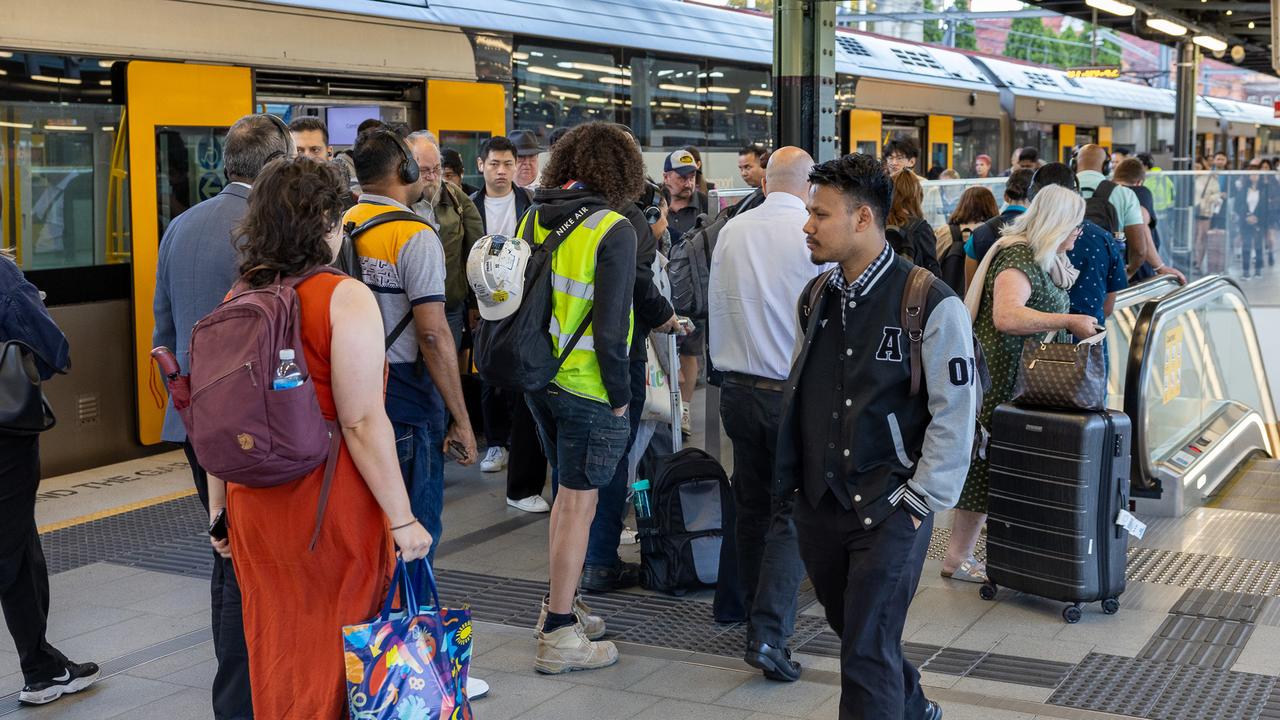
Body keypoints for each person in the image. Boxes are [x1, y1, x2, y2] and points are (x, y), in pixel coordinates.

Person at [217, 156, 432, 718]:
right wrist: (402, 518)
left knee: (278, 647)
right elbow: (361, 421)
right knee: (340, 652)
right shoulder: (344, 296)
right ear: (326, 223)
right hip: (329, 505)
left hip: (254, 509)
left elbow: (219, 418)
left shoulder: (238, 298)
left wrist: (219, 512)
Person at [779, 153, 977, 720]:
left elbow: (956, 411)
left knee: (864, 650)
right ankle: (914, 708)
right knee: (860, 634)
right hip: (821, 504)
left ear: (863, 219)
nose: (806, 225)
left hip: (891, 505)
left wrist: (920, 501)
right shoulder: (816, 296)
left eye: (820, 214)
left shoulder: (929, 301)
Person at [152, 112, 291, 719]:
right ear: (277, 162)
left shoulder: (178, 228)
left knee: (224, 548)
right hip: (259, 428)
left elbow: (163, 329)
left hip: (196, 425)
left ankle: (232, 694)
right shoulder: (271, 231)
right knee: (265, 555)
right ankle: (267, 684)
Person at [521, 122, 640, 674]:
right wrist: (621, 398)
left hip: (540, 380)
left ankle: (559, 606)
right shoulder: (613, 228)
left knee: (562, 498)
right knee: (578, 505)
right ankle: (561, 634)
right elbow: (613, 329)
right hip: (591, 388)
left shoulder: (533, 214)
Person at [944, 185, 1099, 583]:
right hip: (1002, 379)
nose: (1080, 232)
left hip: (1025, 379)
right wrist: (1067, 321)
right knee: (985, 466)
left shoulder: (1047, 257)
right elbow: (1006, 317)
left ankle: (995, 551)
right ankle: (957, 556)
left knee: (1005, 465)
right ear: (1058, 223)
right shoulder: (1018, 256)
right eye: (1076, 224)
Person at [709, 146, 823, 683]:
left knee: (752, 504)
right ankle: (770, 634)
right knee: (792, 509)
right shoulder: (809, 231)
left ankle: (753, 613)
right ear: (807, 184)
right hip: (787, 392)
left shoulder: (733, 228)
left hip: (735, 388)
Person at [345, 128, 478, 563]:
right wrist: (460, 417)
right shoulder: (414, 234)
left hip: (351, 393)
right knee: (416, 531)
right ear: (404, 169)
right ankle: (412, 622)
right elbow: (434, 334)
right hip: (405, 396)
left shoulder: (342, 224)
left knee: (370, 529)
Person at [582, 133, 684, 594]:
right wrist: (667, 319)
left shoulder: (556, 213)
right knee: (612, 468)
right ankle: (600, 561)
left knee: (577, 474)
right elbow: (639, 292)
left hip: (559, 371)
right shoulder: (628, 223)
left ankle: (580, 559)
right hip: (612, 366)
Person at [0, 250, 99, 708]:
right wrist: (28, 299)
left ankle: (42, 669)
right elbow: (54, 349)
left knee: (20, 547)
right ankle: (41, 668)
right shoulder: (2, 274)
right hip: (5, 442)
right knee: (9, 545)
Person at [471, 136, 536, 481]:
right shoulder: (471, 206)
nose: (501, 171)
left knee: (522, 370)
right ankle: (496, 442)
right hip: (484, 302)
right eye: (494, 164)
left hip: (523, 299)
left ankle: (522, 439)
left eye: (508, 164)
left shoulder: (530, 202)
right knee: (488, 371)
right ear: (481, 165)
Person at [1027, 163, 1129, 325]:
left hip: (1037, 343)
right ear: (1076, 193)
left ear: (1034, 196)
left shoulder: (1025, 238)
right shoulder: (1103, 238)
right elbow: (1108, 306)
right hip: (1090, 340)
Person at [408, 135, 484, 350]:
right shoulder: (400, 203)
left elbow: (474, 252)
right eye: (424, 171)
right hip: (408, 311)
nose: (432, 177)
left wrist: (474, 303)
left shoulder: (456, 198)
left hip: (450, 306)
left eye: (437, 168)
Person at [1076, 144, 1184, 283]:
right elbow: (1139, 249)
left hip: (1065, 274)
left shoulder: (1060, 190)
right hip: (1107, 273)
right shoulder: (1124, 194)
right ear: (1106, 166)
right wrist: (1129, 272)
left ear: (1074, 164)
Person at [664, 148, 711, 435]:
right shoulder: (656, 205)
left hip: (692, 294)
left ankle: (684, 408)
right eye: (681, 177)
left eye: (691, 176)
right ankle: (663, 403)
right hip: (660, 290)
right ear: (666, 176)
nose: (687, 182)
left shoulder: (705, 207)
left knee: (690, 351)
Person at [964, 169, 1035, 287]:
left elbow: (970, 288)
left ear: (1006, 197)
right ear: (1035, 197)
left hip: (989, 305)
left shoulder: (978, 234)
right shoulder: (1040, 231)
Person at [935, 186, 999, 294]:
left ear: (962, 205)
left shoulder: (944, 232)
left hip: (948, 294)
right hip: (983, 295)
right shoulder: (993, 233)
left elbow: (934, 261)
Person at [1112, 158, 1160, 282]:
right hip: (1137, 270)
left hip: (1114, 267)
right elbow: (1142, 227)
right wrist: (1160, 266)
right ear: (1139, 182)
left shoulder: (1107, 192)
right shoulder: (1140, 191)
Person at [883, 137, 942, 225]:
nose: (894, 163)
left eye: (899, 158)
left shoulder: (928, 187)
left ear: (912, 162)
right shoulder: (882, 184)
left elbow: (938, 221)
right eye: (890, 158)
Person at [1237, 162, 1270, 279]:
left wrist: (1257, 218)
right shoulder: (1243, 190)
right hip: (1246, 221)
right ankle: (1246, 271)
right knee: (1246, 246)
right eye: (1251, 174)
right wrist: (1246, 216)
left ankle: (1258, 270)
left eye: (1256, 174)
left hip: (1259, 222)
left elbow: (1265, 207)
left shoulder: (1264, 189)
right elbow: (1239, 205)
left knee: (1258, 246)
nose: (1254, 176)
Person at [728, 143, 769, 218]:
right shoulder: (752, 197)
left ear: (764, 165)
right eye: (741, 168)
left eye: (747, 167)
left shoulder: (769, 198)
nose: (743, 173)